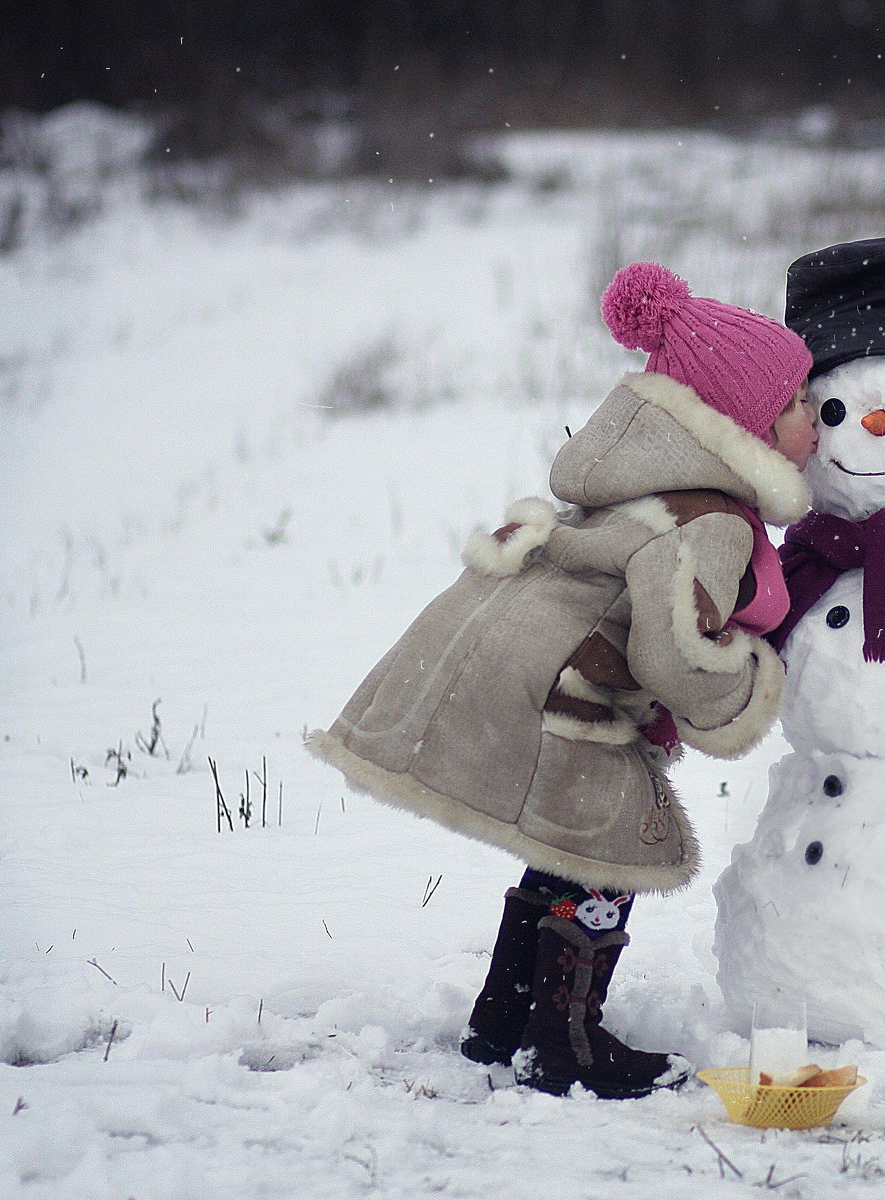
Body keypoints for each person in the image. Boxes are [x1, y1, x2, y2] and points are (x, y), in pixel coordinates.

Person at [307, 262, 816, 1098]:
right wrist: (746, 684)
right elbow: (675, 653)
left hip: (499, 666)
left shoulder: (638, 482)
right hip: (561, 694)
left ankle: (501, 1021)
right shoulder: (715, 522)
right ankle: (564, 1042)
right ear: (749, 425)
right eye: (798, 403)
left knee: (567, 848)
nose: (816, 420)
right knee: (608, 849)